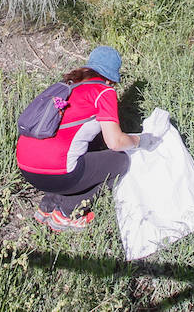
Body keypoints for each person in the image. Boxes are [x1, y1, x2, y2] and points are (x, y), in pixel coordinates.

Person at [16, 46, 141, 232]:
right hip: (58, 174)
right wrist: (139, 141)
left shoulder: (66, 86)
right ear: (110, 77)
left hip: (26, 169)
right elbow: (115, 142)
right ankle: (68, 212)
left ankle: (47, 206)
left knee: (80, 150)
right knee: (120, 161)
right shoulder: (103, 91)